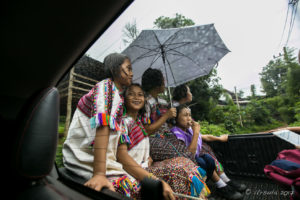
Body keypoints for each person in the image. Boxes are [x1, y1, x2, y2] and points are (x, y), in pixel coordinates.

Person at [112, 83, 209, 199]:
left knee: (185, 161)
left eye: (140, 95)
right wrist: (155, 180)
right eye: (131, 94)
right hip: (133, 170)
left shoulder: (138, 122)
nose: (136, 97)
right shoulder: (122, 123)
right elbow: (122, 157)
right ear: (124, 99)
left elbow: (141, 149)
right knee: (178, 173)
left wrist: (148, 157)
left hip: (145, 165)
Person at [63, 53, 133, 192]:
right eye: (128, 68)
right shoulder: (106, 87)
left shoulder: (118, 98)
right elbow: (103, 127)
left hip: (102, 163)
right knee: (128, 189)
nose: (132, 73)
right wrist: (99, 174)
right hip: (84, 160)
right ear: (115, 70)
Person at [172, 84, 247, 193]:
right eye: (189, 91)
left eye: (189, 115)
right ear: (184, 94)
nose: (191, 94)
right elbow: (190, 149)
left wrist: (218, 138)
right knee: (205, 152)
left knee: (208, 155)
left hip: (193, 144)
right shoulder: (175, 116)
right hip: (189, 153)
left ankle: (224, 180)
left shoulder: (185, 115)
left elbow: (199, 134)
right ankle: (221, 184)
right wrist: (196, 133)